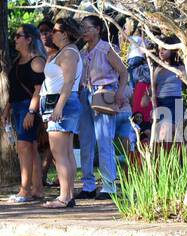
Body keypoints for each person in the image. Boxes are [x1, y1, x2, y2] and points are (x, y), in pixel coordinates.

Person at [77, 14, 132, 199]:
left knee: (104, 140)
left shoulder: (107, 48)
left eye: (88, 28)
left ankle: (109, 186)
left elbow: (124, 73)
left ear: (98, 29)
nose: (84, 31)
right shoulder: (83, 52)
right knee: (86, 141)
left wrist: (119, 93)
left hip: (104, 94)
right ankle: (88, 185)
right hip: (86, 95)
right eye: (82, 28)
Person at [39, 18, 85, 209]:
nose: (52, 34)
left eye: (55, 31)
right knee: (65, 152)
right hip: (61, 103)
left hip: (62, 104)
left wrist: (58, 107)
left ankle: (64, 197)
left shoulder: (68, 53)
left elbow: (68, 83)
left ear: (65, 33)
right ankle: (68, 195)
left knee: (60, 154)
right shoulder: (65, 52)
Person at [7, 24, 47, 203]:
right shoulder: (17, 60)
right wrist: (7, 108)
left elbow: (38, 90)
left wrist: (31, 111)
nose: (15, 39)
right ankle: (37, 189)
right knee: (30, 147)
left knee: (24, 147)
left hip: (29, 107)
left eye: (19, 35)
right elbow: (15, 88)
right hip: (17, 107)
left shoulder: (37, 60)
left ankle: (25, 191)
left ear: (29, 39)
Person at [151, 46, 185, 144]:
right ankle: (162, 156)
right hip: (161, 102)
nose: (161, 52)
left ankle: (177, 157)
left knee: (176, 133)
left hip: (176, 101)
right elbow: (153, 87)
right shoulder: (156, 68)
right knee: (163, 134)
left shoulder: (179, 67)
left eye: (164, 49)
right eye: (159, 49)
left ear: (171, 50)